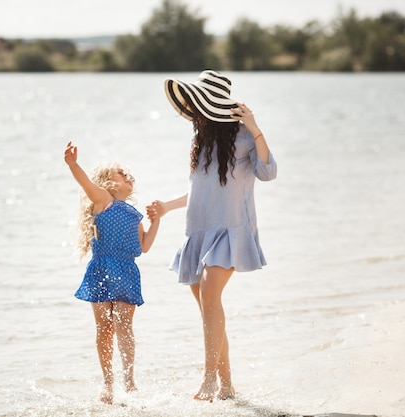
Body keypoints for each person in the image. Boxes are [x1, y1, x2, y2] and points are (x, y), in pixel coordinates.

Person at [147, 70, 277, 402]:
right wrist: (165, 208)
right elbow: (198, 192)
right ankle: (228, 385)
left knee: (210, 299)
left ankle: (208, 380)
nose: (194, 113)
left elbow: (268, 172)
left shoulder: (246, 137)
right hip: (199, 232)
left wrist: (255, 126)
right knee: (210, 309)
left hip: (230, 231)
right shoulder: (199, 142)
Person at [64, 141, 160, 405]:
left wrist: (157, 221)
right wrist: (73, 165)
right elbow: (85, 183)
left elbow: (145, 246)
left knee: (124, 324)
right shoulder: (103, 200)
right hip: (102, 268)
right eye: (121, 173)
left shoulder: (135, 214)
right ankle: (108, 382)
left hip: (127, 269)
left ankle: (129, 381)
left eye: (129, 175)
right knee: (104, 328)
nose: (128, 177)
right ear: (107, 182)